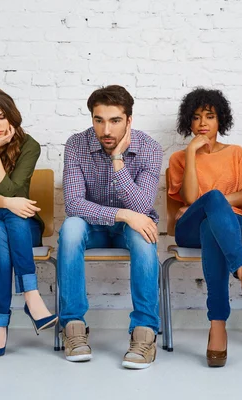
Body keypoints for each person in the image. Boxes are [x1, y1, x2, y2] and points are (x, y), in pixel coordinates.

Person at [58, 85, 163, 369]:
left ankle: (145, 332)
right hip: (92, 227)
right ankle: (73, 328)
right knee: (70, 229)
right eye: (98, 120)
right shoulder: (76, 145)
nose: (106, 129)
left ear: (129, 121)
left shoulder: (149, 148)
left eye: (115, 120)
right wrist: (123, 215)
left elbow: (141, 208)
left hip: (131, 229)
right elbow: (74, 204)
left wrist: (118, 160)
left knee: (144, 236)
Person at [167, 88, 242, 367]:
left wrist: (214, 204)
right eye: (197, 117)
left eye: (209, 117)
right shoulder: (179, 158)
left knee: (213, 226)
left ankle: (218, 326)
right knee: (211, 201)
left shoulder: (235, 153)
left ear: (220, 120)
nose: (202, 123)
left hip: (234, 227)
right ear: (189, 122)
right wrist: (190, 153)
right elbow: (188, 199)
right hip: (188, 231)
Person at [0, 87, 57, 358]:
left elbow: (13, 191)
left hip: (21, 224)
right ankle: (31, 295)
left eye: (1, 117)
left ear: (11, 116)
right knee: (0, 220)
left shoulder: (30, 146)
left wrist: (8, 200)